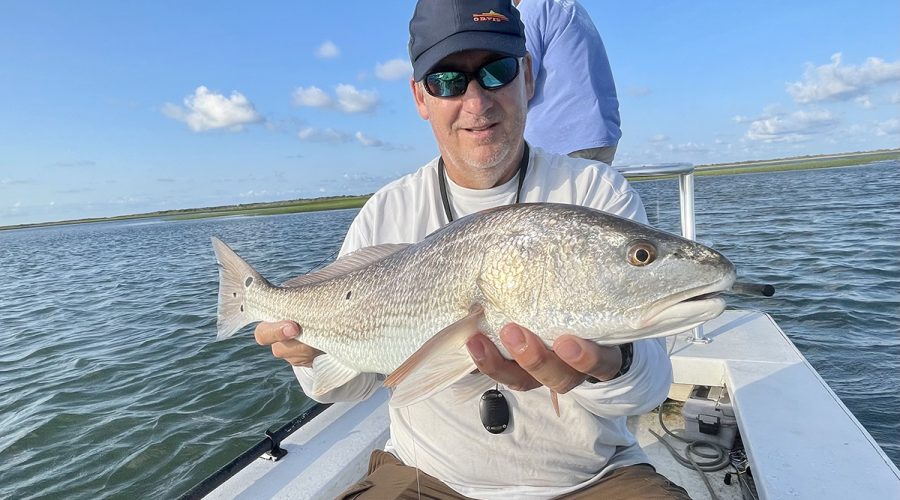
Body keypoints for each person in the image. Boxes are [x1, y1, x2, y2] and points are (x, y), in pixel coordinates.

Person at [254, 0, 687, 498]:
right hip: (427, 477)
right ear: (420, 97)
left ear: (527, 76)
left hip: (590, 477)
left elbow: (651, 387)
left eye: (496, 71)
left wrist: (614, 365)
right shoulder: (385, 211)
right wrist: (307, 354)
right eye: (446, 81)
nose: (477, 102)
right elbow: (349, 386)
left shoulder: (595, 194)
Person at [514, 0, 622, 165]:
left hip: (561, 140)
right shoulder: (573, 8)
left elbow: (519, 82)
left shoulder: (530, 8)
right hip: (603, 135)